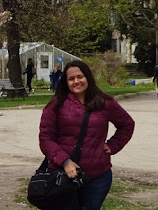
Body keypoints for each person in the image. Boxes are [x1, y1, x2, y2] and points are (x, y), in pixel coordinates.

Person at [38, 60, 135, 210]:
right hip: (62, 176)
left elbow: (127, 124)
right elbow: (45, 138)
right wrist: (65, 162)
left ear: (88, 77)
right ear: (66, 82)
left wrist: (113, 145)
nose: (76, 81)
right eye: (71, 79)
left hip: (97, 176)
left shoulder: (105, 102)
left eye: (80, 77)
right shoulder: (57, 104)